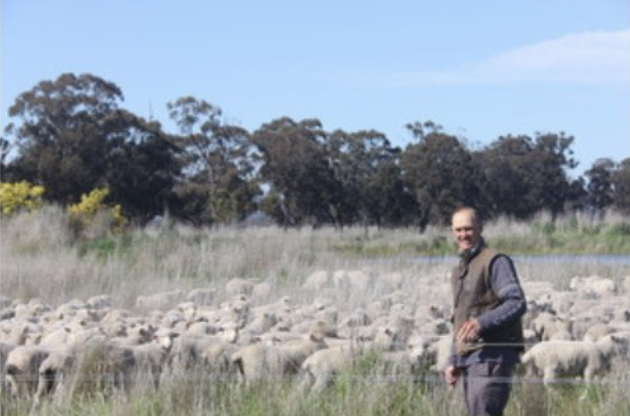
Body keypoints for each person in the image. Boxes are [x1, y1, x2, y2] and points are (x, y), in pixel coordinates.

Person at [444, 206, 527, 416]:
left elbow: (516, 302)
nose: (464, 235)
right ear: (452, 231)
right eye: (459, 230)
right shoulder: (460, 269)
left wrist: (481, 323)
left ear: (480, 228)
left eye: (469, 229)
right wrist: (455, 359)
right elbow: (461, 318)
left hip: (492, 356)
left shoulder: (495, 261)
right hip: (471, 358)